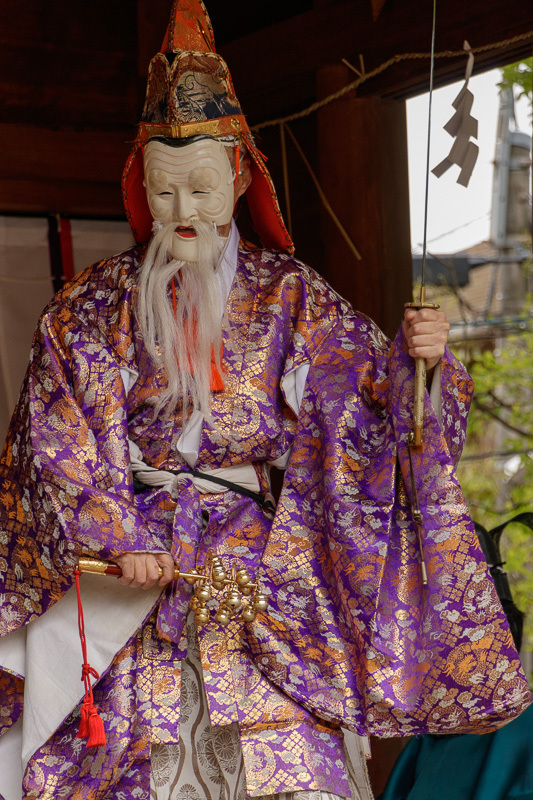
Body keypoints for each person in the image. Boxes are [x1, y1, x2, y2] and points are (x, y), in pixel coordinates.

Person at [0, 2, 529, 799]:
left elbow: (365, 414)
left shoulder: (291, 297)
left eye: (201, 188)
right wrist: (115, 537)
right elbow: (55, 440)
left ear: (241, 177)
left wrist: (416, 370)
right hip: (130, 579)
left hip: (262, 577)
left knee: (293, 771)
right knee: (132, 767)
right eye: (164, 190)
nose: (183, 212)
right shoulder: (91, 306)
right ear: (140, 184)